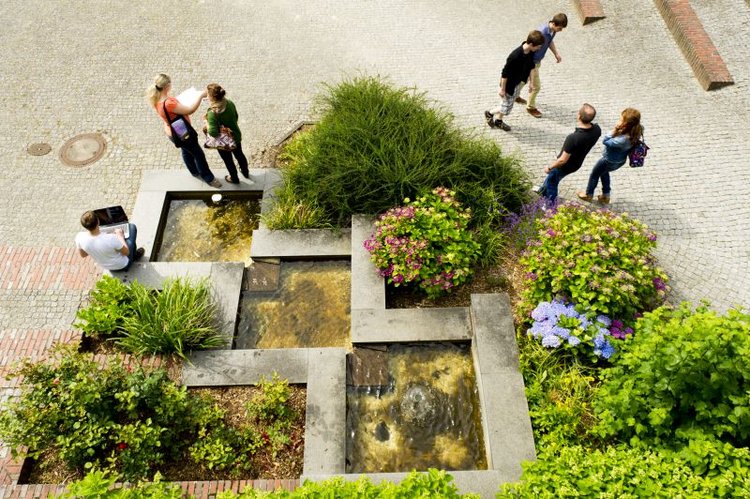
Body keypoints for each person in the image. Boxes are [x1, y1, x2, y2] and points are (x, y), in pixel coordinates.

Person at [146, 73, 221, 188]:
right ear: (166, 86)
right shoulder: (169, 103)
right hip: (182, 133)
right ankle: (208, 178)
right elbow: (189, 110)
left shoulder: (156, 98)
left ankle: (194, 171)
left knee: (186, 151)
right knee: (198, 154)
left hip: (172, 131)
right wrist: (200, 96)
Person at [577, 108, 643, 204]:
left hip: (609, 160)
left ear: (626, 124)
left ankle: (588, 194)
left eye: (621, 120)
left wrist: (615, 129)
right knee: (604, 172)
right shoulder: (637, 129)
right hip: (619, 160)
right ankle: (606, 196)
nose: (618, 121)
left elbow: (606, 141)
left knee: (594, 174)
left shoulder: (622, 140)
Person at [538, 103, 601, 203]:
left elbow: (562, 160)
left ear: (579, 116)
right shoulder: (597, 130)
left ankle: (550, 206)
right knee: (552, 179)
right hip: (577, 164)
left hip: (564, 166)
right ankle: (542, 190)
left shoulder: (573, 138)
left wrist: (549, 167)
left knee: (552, 182)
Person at [484, 30, 546, 132]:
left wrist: (531, 83)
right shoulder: (515, 56)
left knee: (508, 103)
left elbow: (531, 67)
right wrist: (502, 89)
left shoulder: (530, 52)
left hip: (518, 82)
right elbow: (505, 73)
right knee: (507, 106)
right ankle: (489, 113)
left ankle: (499, 121)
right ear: (531, 44)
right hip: (509, 85)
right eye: (538, 46)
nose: (539, 49)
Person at [516, 13, 568, 118]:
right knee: (536, 87)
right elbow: (531, 50)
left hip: (536, 62)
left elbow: (549, 42)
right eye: (560, 28)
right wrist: (531, 66)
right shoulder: (542, 32)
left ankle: (515, 95)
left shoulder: (552, 30)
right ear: (553, 23)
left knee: (524, 80)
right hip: (532, 62)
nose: (560, 30)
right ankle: (530, 107)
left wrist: (556, 53)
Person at [205, 83, 250, 184]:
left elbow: (213, 132)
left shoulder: (212, 113)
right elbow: (236, 116)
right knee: (240, 155)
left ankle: (234, 178)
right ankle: (245, 172)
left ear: (212, 97)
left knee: (228, 160)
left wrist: (207, 123)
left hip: (224, 143)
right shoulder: (229, 103)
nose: (206, 96)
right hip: (235, 136)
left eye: (207, 94)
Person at [75, 211, 144, 272]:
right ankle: (134, 256)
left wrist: (94, 248)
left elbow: (83, 255)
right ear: (98, 221)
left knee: (117, 245)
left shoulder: (79, 237)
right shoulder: (111, 238)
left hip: (107, 266)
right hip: (123, 265)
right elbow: (126, 252)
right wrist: (120, 236)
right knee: (132, 228)